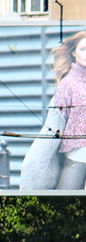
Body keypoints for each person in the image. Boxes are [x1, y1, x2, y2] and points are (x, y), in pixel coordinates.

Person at [49, 31, 86, 189]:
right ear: (73, 53)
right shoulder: (68, 83)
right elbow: (57, 120)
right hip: (77, 154)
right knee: (65, 197)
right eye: (83, 49)